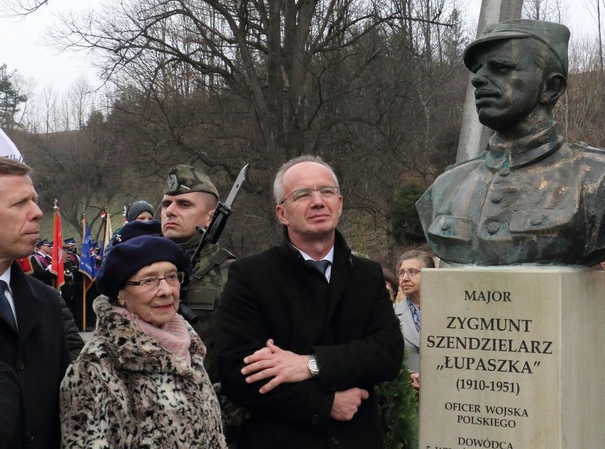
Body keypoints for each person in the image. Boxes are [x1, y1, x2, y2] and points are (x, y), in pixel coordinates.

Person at [416, 20, 605, 267]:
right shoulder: (446, 187)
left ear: (550, 87)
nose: (478, 79)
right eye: (478, 69)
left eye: (500, 67)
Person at [216, 155, 404, 449]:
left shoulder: (367, 275)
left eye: (326, 191)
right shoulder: (250, 276)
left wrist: (312, 364)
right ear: (282, 213)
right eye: (302, 195)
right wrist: (324, 404)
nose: (318, 201)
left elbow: (388, 354)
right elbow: (237, 374)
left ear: (339, 204)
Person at [59, 234, 227, 448]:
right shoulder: (94, 369)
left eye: (172, 276)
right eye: (149, 280)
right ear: (121, 294)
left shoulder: (189, 348)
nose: (166, 291)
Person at [0, 158, 70, 448]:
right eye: (19, 204)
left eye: (35, 201)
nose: (38, 213)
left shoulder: (46, 300)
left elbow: (62, 408)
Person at [161, 164, 235, 380]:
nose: (170, 211)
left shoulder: (233, 274)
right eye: (166, 203)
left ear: (210, 218)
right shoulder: (142, 270)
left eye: (184, 204)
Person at [394, 250, 435, 391]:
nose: (404, 278)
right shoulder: (390, 314)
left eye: (412, 272)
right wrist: (408, 375)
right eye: (401, 273)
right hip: (408, 397)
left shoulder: (449, 312)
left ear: (430, 275)